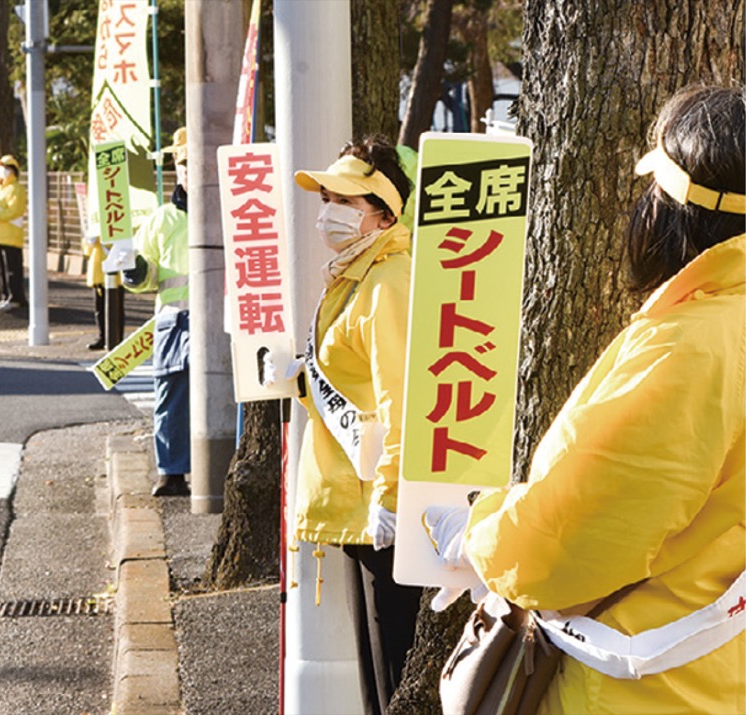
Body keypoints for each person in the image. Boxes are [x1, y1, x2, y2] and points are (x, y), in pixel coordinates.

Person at [426, 85, 745, 714]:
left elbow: (577, 536)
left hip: (639, 687)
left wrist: (481, 538)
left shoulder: (690, 348)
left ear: (677, 208)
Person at [291, 136, 423, 714]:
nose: (329, 212)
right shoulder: (355, 277)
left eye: (346, 201)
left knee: (395, 668)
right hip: (357, 501)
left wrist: (391, 495)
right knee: (379, 671)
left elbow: (401, 397)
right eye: (326, 197)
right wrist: (300, 379)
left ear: (386, 214)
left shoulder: (389, 280)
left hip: (379, 506)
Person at [123, 128, 191, 497]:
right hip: (173, 319)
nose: (189, 169)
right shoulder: (161, 219)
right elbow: (145, 274)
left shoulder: (233, 210)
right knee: (171, 395)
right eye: (182, 163)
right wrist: (135, 270)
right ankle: (171, 471)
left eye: (194, 161)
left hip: (223, 321)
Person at [0, 154, 28, 311]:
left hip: (11, 235)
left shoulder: (17, 189)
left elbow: (14, 210)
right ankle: (5, 296)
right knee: (2, 268)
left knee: (12, 269)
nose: (1, 170)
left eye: (5, 167)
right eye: (1, 167)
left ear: (13, 171)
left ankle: (16, 298)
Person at [83, 231, 107, 350]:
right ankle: (104, 337)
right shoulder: (94, 225)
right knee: (100, 307)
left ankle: (107, 337)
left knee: (107, 307)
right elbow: (87, 249)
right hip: (98, 269)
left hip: (105, 269)